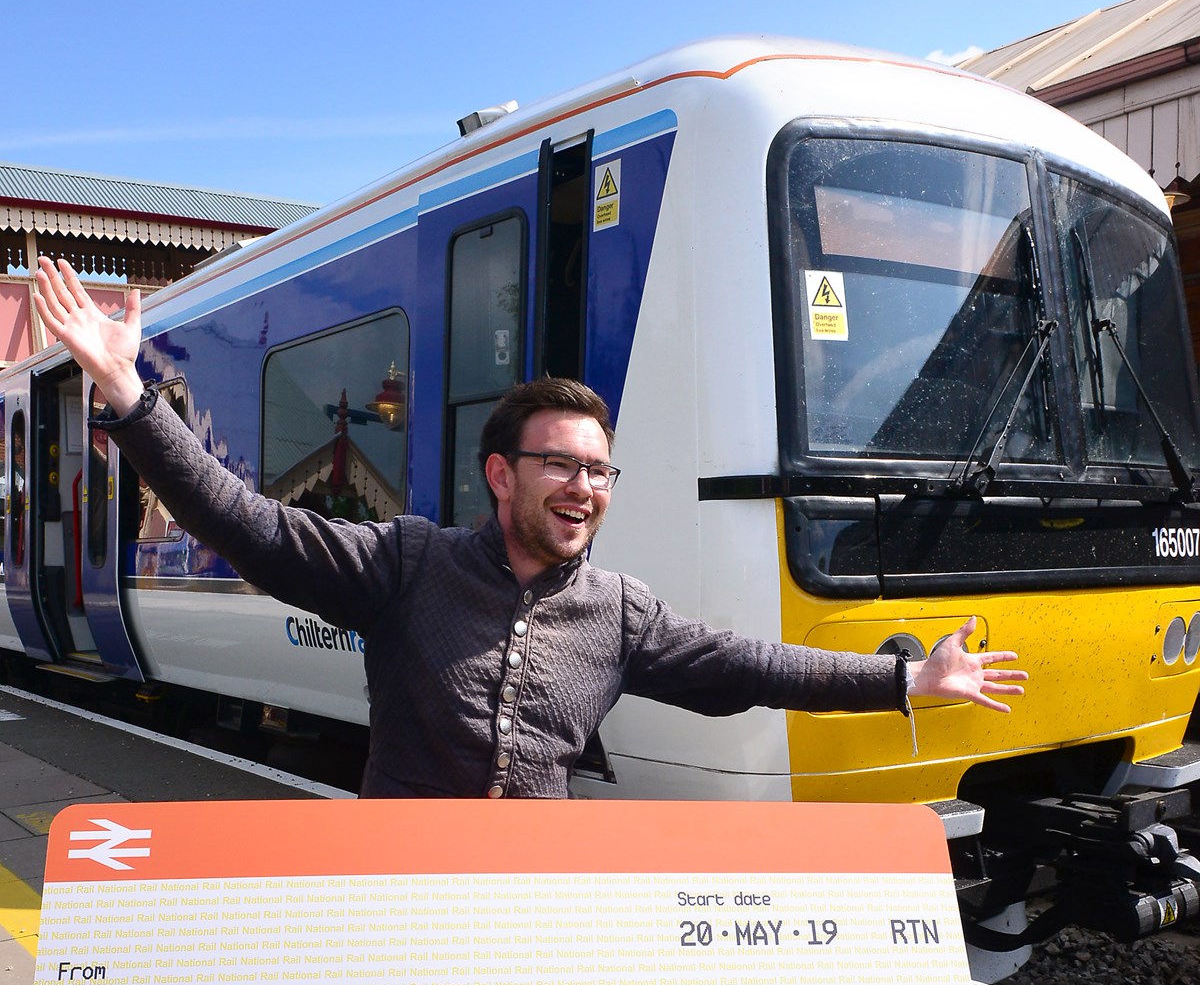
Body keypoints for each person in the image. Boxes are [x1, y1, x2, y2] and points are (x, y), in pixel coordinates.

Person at [34, 257, 1026, 799]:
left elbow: (755, 666)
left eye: (599, 470)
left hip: (531, 896)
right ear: (501, 473)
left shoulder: (621, 611)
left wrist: (908, 678)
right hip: (401, 893)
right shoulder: (408, 563)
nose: (585, 487)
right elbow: (246, 522)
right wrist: (128, 392)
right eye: (562, 464)